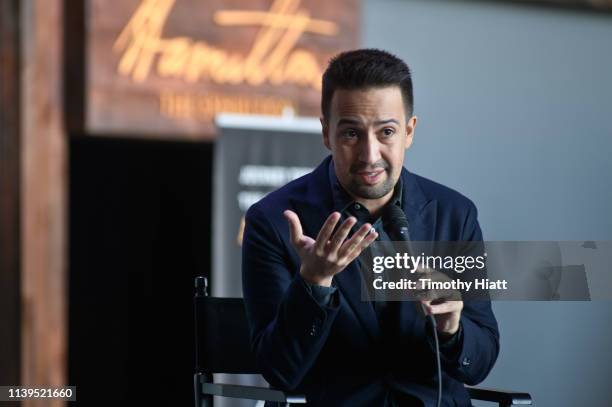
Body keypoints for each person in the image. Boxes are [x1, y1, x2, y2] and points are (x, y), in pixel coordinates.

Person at [241, 49, 499, 406]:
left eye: (387, 132)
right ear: (326, 134)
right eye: (351, 134)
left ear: (409, 132)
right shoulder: (271, 221)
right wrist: (314, 284)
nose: (369, 155)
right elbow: (279, 370)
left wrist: (452, 329)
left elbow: (480, 361)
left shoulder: (455, 214)